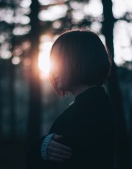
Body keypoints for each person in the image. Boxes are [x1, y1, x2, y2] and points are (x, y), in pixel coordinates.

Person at [26, 30, 115, 169]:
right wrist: (42, 147)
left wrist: (38, 150)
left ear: (80, 60)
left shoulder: (86, 113)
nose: (52, 70)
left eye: (58, 61)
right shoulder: (94, 105)